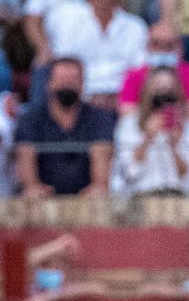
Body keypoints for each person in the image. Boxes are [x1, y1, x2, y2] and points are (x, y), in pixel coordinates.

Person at [44, 0, 148, 107]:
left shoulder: (136, 27)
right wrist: (87, 95)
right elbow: (66, 63)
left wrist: (122, 96)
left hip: (123, 98)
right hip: (82, 97)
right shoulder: (70, 24)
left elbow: (139, 68)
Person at [13, 57, 114, 197]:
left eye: (73, 79)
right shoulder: (30, 119)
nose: (67, 84)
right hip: (43, 199)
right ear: (49, 83)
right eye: (62, 79)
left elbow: (101, 157)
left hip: (87, 198)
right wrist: (33, 186)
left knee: (99, 194)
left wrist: (97, 187)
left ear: (82, 83)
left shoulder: (99, 118)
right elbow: (25, 155)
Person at [111, 65, 189, 196]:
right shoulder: (129, 123)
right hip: (141, 197)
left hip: (178, 197)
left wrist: (174, 146)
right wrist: (147, 138)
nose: (163, 93)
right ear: (147, 90)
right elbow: (129, 172)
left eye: (169, 88)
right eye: (158, 87)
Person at [120, 22, 189, 118]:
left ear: (180, 47)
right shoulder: (134, 75)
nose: (163, 49)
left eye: (169, 45)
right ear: (147, 47)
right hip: (144, 129)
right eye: (156, 44)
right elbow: (126, 112)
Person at [21, 232, 108, 301]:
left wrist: (47, 298)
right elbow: (25, 260)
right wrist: (58, 244)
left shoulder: (69, 278)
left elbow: (97, 288)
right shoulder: (33, 267)